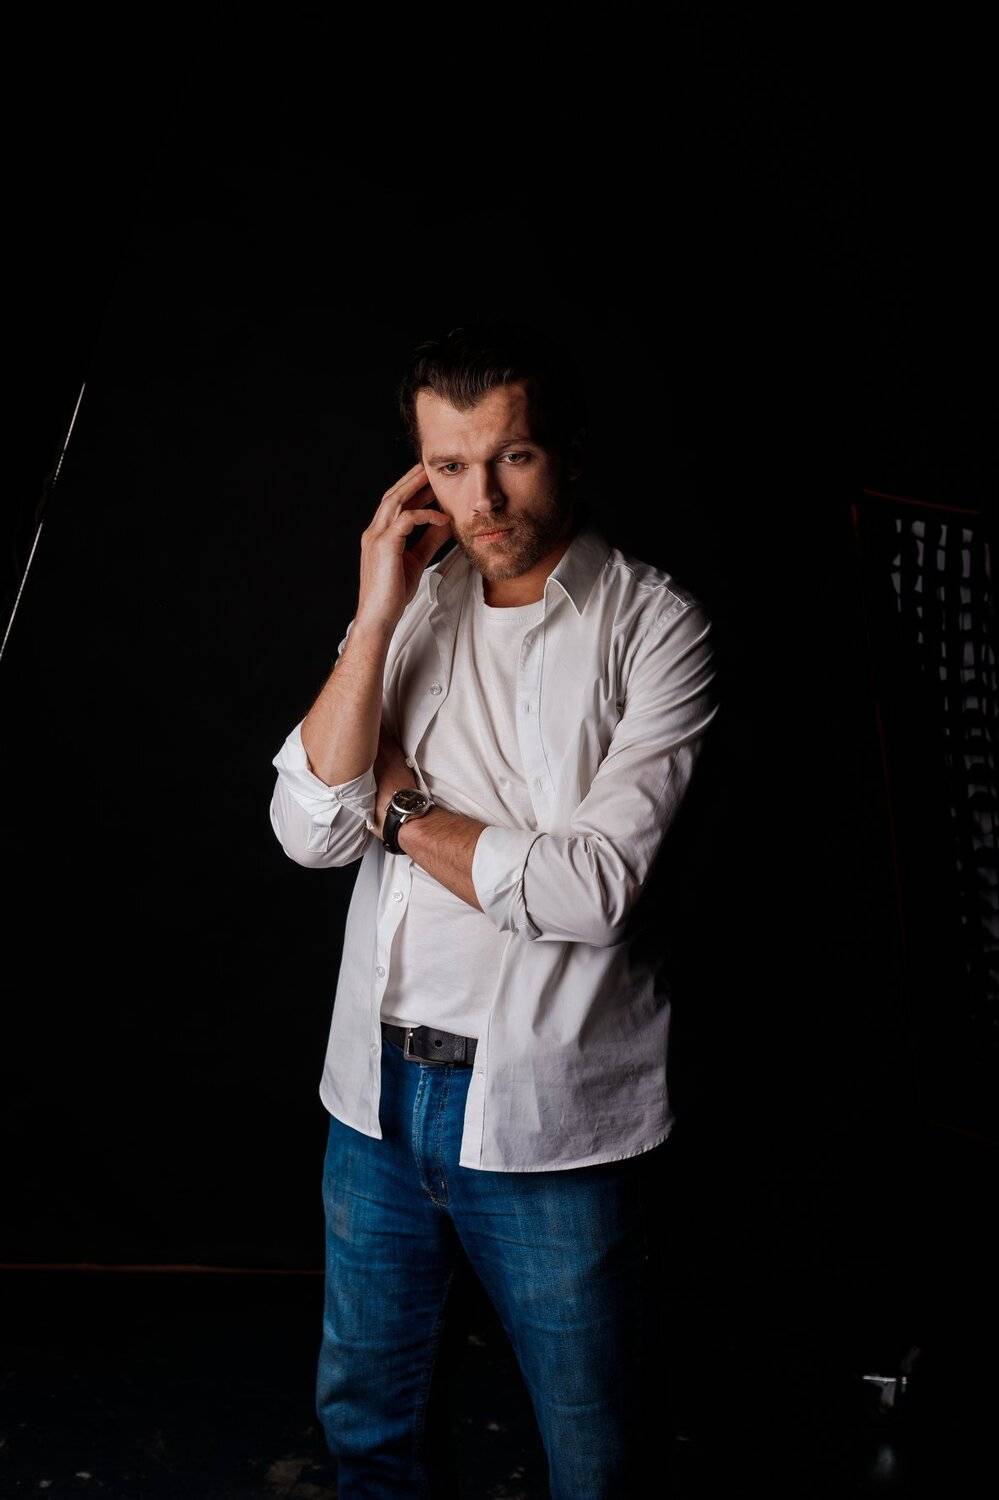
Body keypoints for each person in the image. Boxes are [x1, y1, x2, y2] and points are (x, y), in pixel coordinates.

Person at [269, 319, 720, 1498]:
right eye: (451, 465)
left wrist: (401, 807)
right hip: (374, 1098)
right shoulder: (412, 609)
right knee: (366, 1432)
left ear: (563, 448)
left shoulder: (656, 625)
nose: (484, 498)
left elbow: (589, 889)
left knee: (596, 1457)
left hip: (551, 1110)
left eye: (512, 456)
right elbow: (308, 828)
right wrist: (374, 615)